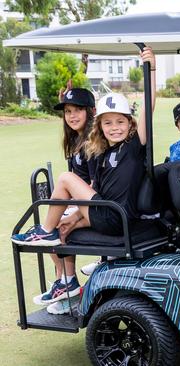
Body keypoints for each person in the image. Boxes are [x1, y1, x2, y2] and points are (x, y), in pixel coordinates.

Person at [11, 48, 157, 305]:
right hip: (105, 211)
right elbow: (93, 191)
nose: (115, 128)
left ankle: (44, 231)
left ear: (130, 124)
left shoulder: (134, 147)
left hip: (116, 216)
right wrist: (75, 219)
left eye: (120, 122)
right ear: (99, 126)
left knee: (66, 179)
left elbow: (148, 107)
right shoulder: (100, 154)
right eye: (108, 123)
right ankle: (65, 281)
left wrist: (152, 70)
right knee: (63, 226)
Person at [30, 86, 96, 309]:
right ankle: (63, 283)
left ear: (90, 111)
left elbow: (95, 185)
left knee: (54, 228)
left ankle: (67, 285)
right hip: (82, 203)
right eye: (67, 111)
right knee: (50, 229)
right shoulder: (76, 141)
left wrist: (74, 213)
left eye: (78, 110)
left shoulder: (92, 142)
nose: (72, 116)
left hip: (94, 205)